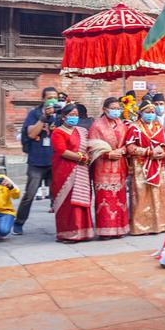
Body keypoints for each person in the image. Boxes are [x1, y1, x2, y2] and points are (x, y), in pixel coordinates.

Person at [15, 87, 60, 234]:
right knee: (30, 194)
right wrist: (43, 118)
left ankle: (63, 224)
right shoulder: (34, 114)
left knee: (58, 194)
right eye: (49, 97)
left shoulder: (60, 114)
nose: (52, 100)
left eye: (55, 97)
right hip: (36, 161)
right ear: (43, 99)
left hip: (54, 160)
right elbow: (31, 134)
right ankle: (19, 223)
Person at [86, 98, 130, 239]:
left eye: (118, 108)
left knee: (120, 197)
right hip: (103, 167)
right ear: (105, 109)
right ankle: (105, 230)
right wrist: (107, 153)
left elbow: (128, 143)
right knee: (105, 198)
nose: (116, 110)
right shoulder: (97, 126)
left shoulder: (122, 125)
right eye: (113, 108)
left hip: (119, 166)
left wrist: (122, 151)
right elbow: (92, 147)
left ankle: (119, 229)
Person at [126, 100, 165, 235]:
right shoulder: (134, 128)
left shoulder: (158, 127)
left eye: (152, 112)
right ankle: (141, 227)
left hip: (157, 165)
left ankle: (160, 225)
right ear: (140, 113)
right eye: (147, 112)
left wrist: (164, 153)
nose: (150, 115)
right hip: (141, 166)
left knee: (159, 195)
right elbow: (130, 147)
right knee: (142, 196)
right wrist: (148, 152)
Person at [51, 104, 94, 242]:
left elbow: (89, 146)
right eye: (71, 115)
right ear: (64, 117)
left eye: (76, 115)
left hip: (81, 170)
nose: (74, 118)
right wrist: (81, 157)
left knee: (81, 201)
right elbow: (62, 151)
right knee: (67, 203)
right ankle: (68, 233)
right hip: (64, 171)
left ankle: (84, 232)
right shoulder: (58, 132)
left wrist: (88, 157)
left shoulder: (81, 131)